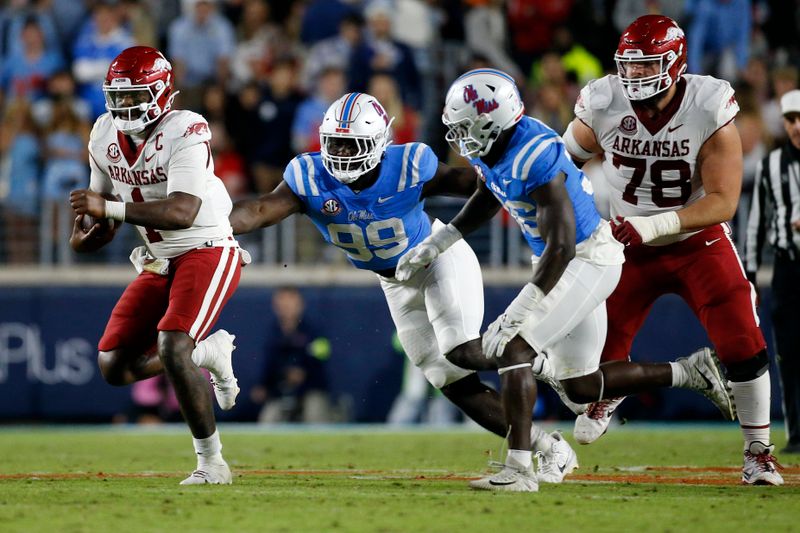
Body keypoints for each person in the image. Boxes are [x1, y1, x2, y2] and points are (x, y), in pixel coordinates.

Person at [396, 67, 733, 492]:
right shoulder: (495, 146)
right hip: (568, 260)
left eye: (465, 126)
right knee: (579, 386)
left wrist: (520, 310)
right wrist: (442, 239)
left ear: (491, 121)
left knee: (513, 346)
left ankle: (520, 469)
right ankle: (690, 372)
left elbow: (562, 246)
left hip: (587, 258)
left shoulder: (536, 155)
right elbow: (489, 193)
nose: (460, 137)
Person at [229, 91, 578, 484]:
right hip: (392, 281)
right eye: (335, 143)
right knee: (448, 379)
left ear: (379, 142)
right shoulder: (308, 176)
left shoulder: (409, 164)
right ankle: (550, 448)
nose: (342, 153)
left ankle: (543, 363)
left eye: (353, 143)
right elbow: (258, 209)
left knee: (460, 349)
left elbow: (483, 186)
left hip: (436, 258)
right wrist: (216, 225)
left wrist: (536, 183)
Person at [562, 15, 783, 485]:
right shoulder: (602, 101)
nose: (635, 76)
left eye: (647, 67)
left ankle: (758, 450)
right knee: (583, 378)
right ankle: (615, 388)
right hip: (625, 243)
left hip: (694, 241)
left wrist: (654, 225)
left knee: (743, 340)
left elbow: (723, 201)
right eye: (629, 66)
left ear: (675, 62)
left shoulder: (707, 103)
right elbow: (560, 167)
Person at [68, 46, 244, 485]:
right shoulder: (102, 133)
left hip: (206, 246)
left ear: (162, 91)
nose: (125, 106)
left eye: (135, 96)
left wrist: (108, 208)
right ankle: (209, 352)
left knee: (171, 344)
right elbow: (104, 218)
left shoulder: (187, 128)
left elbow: (182, 211)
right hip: (159, 258)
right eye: (119, 96)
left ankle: (211, 463)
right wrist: (88, 237)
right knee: (113, 365)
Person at [744, 89, 800, 455]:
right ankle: (797, 433)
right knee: (789, 353)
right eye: (791, 119)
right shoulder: (771, 164)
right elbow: (756, 225)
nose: (796, 126)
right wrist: (749, 275)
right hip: (788, 268)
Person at [251, 287, 333, 423]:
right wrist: (264, 385)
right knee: (268, 418)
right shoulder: (273, 334)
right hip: (279, 391)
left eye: (290, 304)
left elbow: (321, 361)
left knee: (314, 413)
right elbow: (269, 365)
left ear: (300, 305)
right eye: (282, 305)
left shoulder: (315, 332)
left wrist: (303, 373)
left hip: (310, 390)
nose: (286, 309)